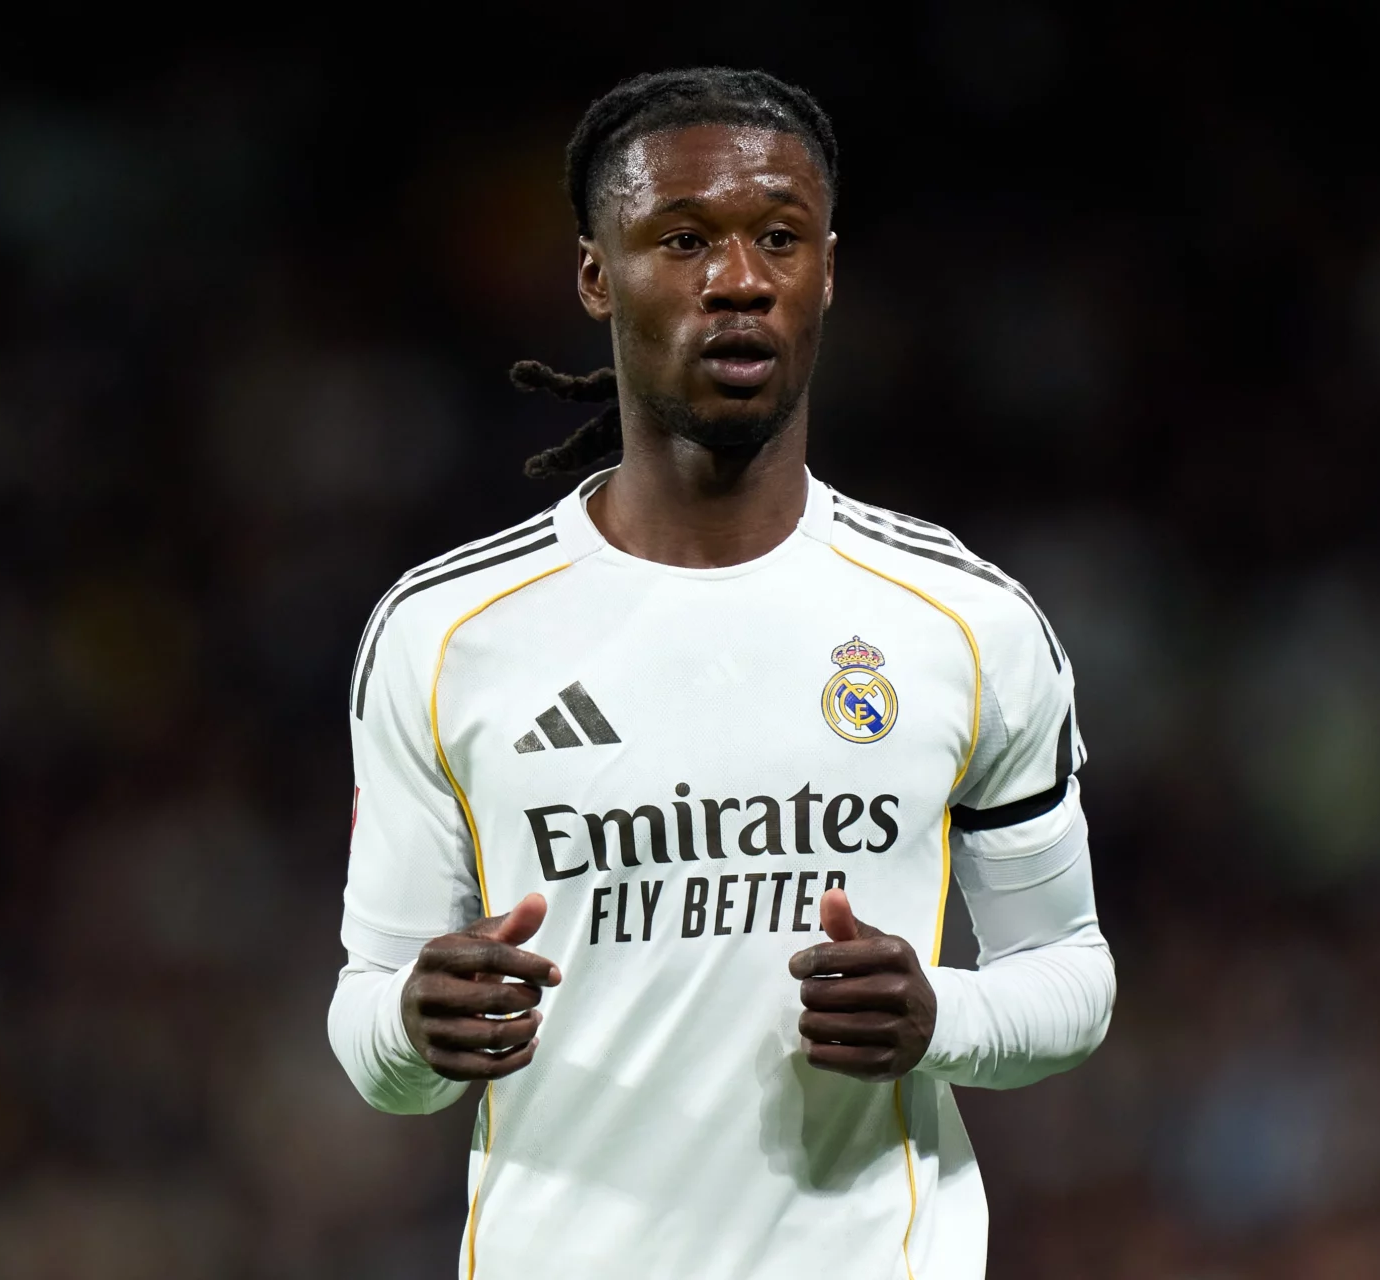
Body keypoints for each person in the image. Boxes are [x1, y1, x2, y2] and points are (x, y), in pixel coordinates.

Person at [328, 67, 1114, 1279]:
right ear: (597, 273)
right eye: (684, 238)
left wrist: (940, 1014)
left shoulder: (967, 622)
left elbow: (1071, 973)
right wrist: (409, 1026)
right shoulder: (445, 634)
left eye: (780, 239)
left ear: (827, 272)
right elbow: (372, 1018)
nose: (740, 278)